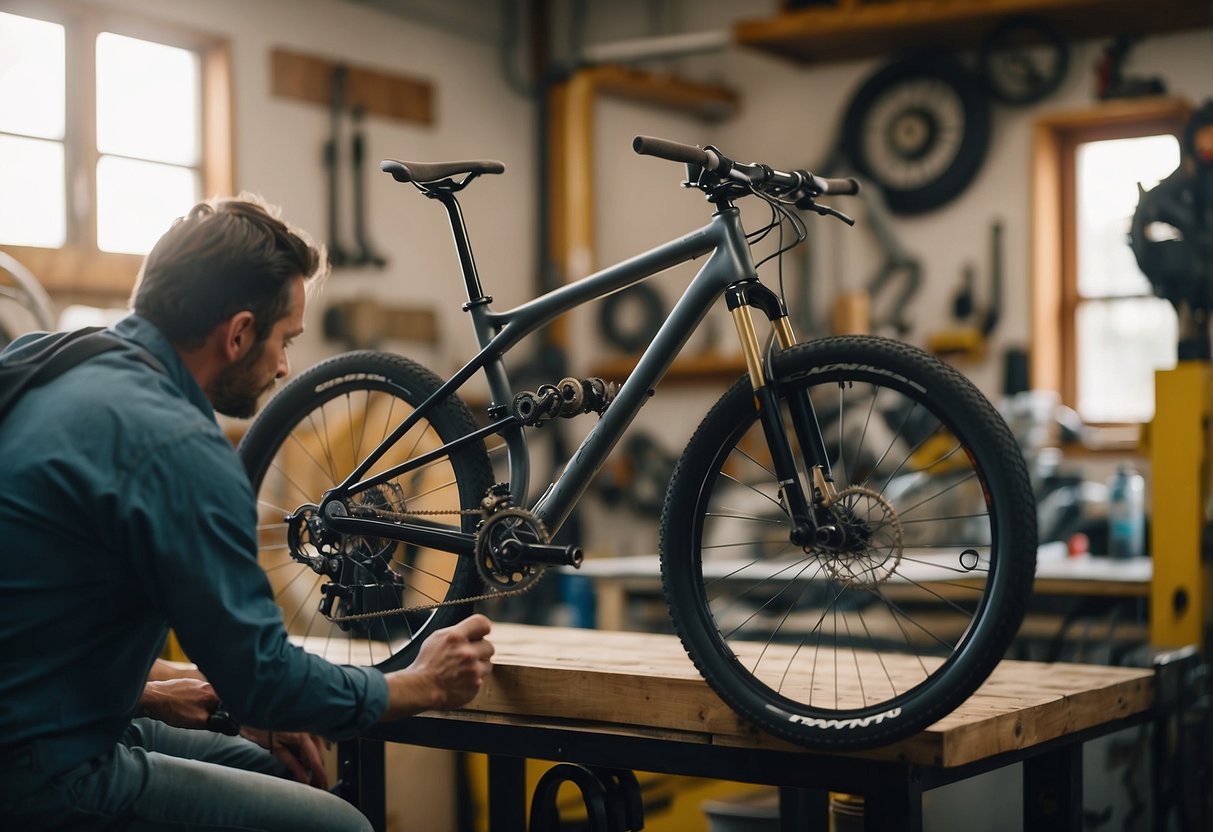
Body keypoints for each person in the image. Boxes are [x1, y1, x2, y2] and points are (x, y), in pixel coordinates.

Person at [0, 195, 495, 831]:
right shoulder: (177, 445)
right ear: (237, 335)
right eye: (285, 339)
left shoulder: (43, 358)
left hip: (47, 721)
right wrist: (425, 683)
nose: (286, 366)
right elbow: (263, 678)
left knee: (266, 765)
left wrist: (178, 687)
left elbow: (43, 614)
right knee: (342, 827)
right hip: (38, 769)